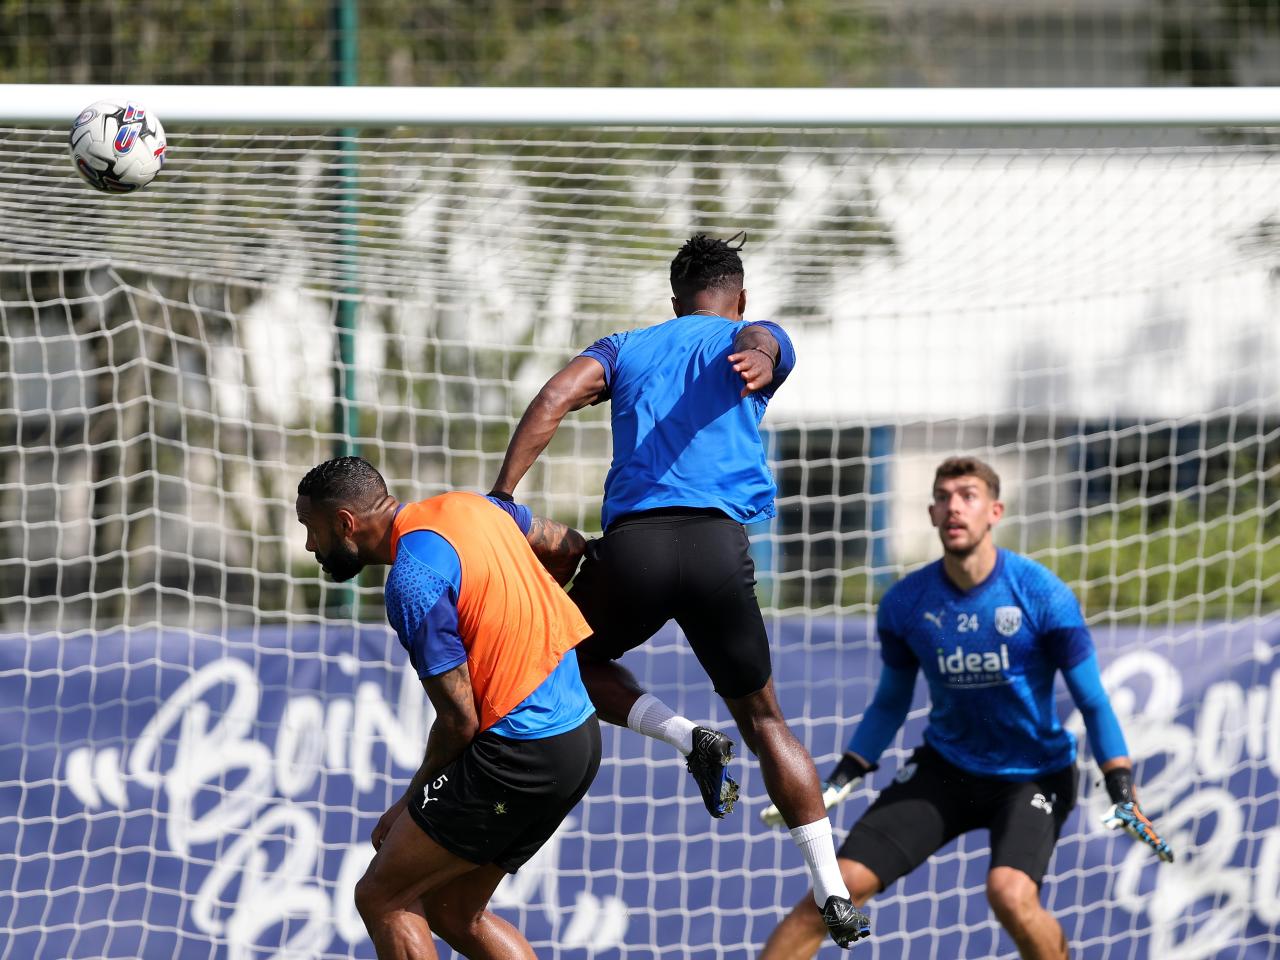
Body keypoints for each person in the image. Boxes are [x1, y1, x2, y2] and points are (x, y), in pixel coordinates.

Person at [489, 233, 870, 948]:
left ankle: (684, 735)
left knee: (559, 662)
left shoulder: (626, 346)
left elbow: (553, 396)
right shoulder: (750, 337)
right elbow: (768, 342)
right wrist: (761, 354)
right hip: (720, 553)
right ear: (740, 294)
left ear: (673, 300)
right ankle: (833, 891)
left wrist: (503, 495)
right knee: (766, 721)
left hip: (635, 551)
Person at [758, 456, 1174, 960]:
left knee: (1009, 894)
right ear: (932, 514)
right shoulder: (905, 603)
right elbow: (891, 701)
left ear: (994, 511)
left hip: (1034, 775)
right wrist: (842, 776)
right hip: (947, 770)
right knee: (832, 895)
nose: (954, 507)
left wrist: (1121, 786)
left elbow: (1092, 700)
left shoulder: (1042, 595)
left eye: (968, 495)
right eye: (943, 497)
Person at [295, 456, 600, 960]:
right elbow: (566, 544)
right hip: (579, 740)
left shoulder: (412, 582)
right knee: (456, 911)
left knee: (382, 897)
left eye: (312, 529)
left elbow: (460, 722)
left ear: (346, 523)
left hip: (519, 754)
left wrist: (408, 803)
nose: (311, 546)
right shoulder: (472, 505)